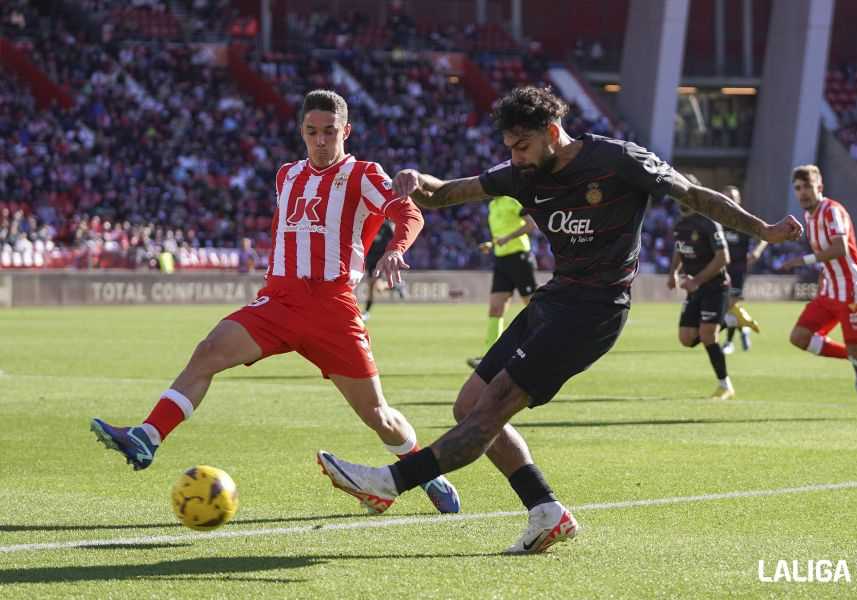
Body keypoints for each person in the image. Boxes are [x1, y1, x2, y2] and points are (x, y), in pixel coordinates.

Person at [315, 86, 802, 553]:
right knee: (469, 406)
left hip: (595, 312)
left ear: (553, 131)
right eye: (509, 148)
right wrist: (415, 180)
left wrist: (763, 229)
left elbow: (695, 196)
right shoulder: (523, 173)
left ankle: (389, 483)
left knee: (490, 411)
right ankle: (546, 510)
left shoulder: (618, 160)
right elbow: (447, 194)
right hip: (553, 301)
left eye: (522, 146)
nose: (516, 157)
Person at [90, 89, 460, 515]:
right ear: (301, 131)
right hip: (279, 301)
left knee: (377, 413)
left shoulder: (364, 174)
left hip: (332, 309)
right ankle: (147, 437)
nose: (321, 141)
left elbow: (410, 213)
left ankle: (425, 470)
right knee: (208, 352)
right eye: (312, 131)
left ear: (347, 131)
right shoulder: (287, 174)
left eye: (330, 132)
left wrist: (396, 248)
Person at [781, 164, 857, 417]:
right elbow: (829, 259)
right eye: (798, 188)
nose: (803, 193)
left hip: (851, 293)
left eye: (808, 187)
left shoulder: (832, 211)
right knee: (799, 337)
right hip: (830, 292)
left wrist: (803, 260)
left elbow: (840, 249)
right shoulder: (809, 217)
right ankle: (855, 358)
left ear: (820, 187)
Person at [667, 181, 735, 399]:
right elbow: (679, 249)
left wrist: (696, 280)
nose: (680, 200)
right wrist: (673, 273)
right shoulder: (680, 224)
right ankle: (731, 321)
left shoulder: (708, 222)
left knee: (708, 335)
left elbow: (723, 258)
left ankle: (725, 385)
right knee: (686, 338)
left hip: (715, 286)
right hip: (695, 289)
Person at [467, 195, 538, 369]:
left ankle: (540, 348)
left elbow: (531, 224)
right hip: (502, 260)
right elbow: (502, 233)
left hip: (520, 257)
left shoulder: (512, 200)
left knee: (533, 307)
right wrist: (492, 244)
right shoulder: (492, 205)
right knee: (495, 307)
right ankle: (491, 357)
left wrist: (508, 238)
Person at [719, 185, 765, 354]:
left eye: (733, 196)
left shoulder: (745, 220)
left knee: (730, 304)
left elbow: (764, 236)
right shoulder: (717, 219)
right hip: (718, 268)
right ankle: (744, 326)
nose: (730, 199)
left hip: (737, 269)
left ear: (739, 200)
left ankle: (729, 342)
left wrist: (756, 251)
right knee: (726, 306)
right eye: (726, 196)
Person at [361, 221, 406, 321]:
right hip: (370, 259)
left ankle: (367, 312)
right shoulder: (369, 223)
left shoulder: (386, 226)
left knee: (373, 285)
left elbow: (395, 238)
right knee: (375, 288)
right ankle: (397, 286)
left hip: (380, 260)